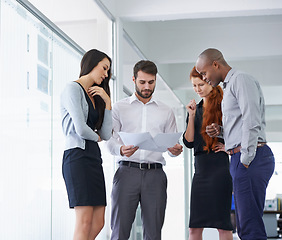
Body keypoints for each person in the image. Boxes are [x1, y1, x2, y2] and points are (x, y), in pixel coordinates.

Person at [195, 48, 275, 240]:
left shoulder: (240, 80)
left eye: (204, 73)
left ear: (216, 64)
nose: (204, 79)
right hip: (242, 156)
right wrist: (221, 131)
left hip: (250, 156)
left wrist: (245, 159)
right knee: (246, 223)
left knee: (249, 226)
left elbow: (251, 120)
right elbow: (240, 124)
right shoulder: (230, 85)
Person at [106, 60, 183, 240]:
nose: (147, 86)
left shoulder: (166, 111)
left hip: (155, 176)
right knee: (119, 232)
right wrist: (121, 150)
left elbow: (171, 147)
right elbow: (109, 141)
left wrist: (175, 150)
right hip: (126, 172)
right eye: (142, 82)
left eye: (151, 82)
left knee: (154, 233)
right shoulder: (119, 108)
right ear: (134, 79)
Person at [60, 49, 112, 240]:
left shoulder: (97, 95)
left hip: (93, 158)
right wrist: (96, 138)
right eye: (104, 68)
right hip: (77, 156)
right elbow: (80, 129)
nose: (106, 74)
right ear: (92, 63)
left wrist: (107, 102)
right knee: (84, 221)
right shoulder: (72, 88)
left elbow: (106, 133)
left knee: (99, 222)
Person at [183, 67, 233, 240]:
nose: (197, 89)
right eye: (194, 85)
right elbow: (189, 142)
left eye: (201, 84)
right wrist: (191, 115)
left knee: (223, 226)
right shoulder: (194, 109)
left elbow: (238, 134)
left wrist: (228, 148)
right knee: (194, 228)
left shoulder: (225, 106)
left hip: (220, 169)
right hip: (201, 171)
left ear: (210, 82)